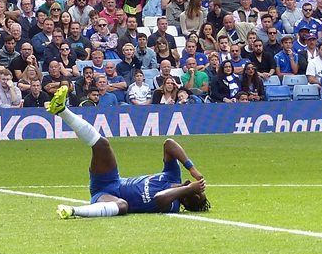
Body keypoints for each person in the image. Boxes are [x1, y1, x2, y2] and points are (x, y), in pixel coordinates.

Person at [44, 85, 208, 217]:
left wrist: (187, 189)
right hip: (111, 180)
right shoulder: (173, 175)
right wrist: (191, 168)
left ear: (188, 197)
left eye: (197, 192)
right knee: (102, 145)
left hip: (106, 197)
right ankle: (61, 110)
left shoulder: (172, 205)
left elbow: (159, 198)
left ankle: (73, 211)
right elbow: (169, 144)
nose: (196, 186)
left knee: (122, 206)